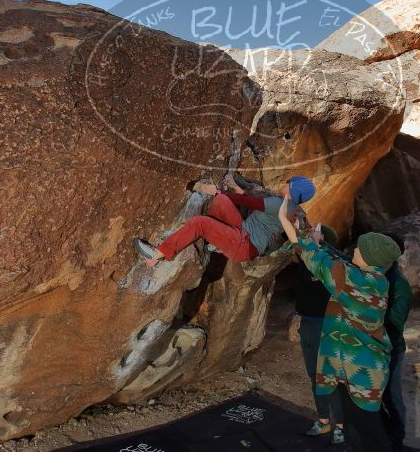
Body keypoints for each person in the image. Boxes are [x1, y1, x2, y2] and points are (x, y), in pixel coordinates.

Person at [278, 195, 401, 452]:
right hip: (356, 368)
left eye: (359, 249)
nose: (354, 250)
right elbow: (333, 257)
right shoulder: (375, 278)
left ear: (368, 257)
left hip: (361, 373)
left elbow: (315, 258)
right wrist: (314, 238)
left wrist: (284, 220)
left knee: (370, 434)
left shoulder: (354, 280)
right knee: (359, 430)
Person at [133, 175, 316, 267]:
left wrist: (212, 190)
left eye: (288, 183)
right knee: (221, 201)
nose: (284, 183)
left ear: (292, 188)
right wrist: (227, 191)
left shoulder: (280, 204)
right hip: (244, 234)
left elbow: (245, 201)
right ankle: (216, 241)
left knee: (200, 222)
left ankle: (157, 254)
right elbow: (251, 201)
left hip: (243, 244)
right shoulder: (293, 209)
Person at [293, 224, 346, 445]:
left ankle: (341, 427)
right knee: (315, 377)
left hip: (327, 326)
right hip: (309, 324)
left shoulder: (329, 261)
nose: (311, 232)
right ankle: (324, 421)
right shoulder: (310, 257)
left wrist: (314, 245)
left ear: (324, 238)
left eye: (315, 231)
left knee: (331, 378)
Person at [380, 234, 412, 452]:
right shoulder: (378, 275)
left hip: (391, 349)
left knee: (392, 395)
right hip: (376, 347)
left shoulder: (399, 285)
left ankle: (398, 440)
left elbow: (395, 321)